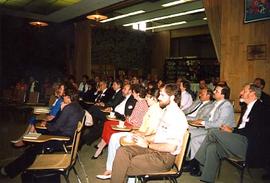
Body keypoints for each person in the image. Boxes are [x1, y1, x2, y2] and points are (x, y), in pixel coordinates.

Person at [110, 84, 188, 183]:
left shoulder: (177, 116)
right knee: (122, 151)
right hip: (156, 150)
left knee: (124, 164)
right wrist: (143, 137)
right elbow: (158, 135)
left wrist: (147, 145)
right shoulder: (167, 111)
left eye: (162, 95)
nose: (159, 97)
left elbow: (171, 147)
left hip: (164, 158)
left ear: (172, 97)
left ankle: (115, 177)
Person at [0, 88, 85, 178]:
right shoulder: (78, 107)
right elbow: (61, 123)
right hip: (65, 134)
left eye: (64, 96)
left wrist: (47, 124)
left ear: (68, 97)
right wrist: (48, 124)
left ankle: (8, 171)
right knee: (37, 131)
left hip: (62, 138)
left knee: (33, 150)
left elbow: (55, 127)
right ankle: (26, 144)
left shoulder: (68, 108)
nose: (62, 98)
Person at [193, 83, 267, 183]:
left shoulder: (261, 109)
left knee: (214, 132)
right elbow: (244, 128)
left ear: (252, 94)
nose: (240, 93)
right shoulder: (248, 107)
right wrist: (232, 130)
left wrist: (232, 130)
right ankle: (207, 179)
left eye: (244, 91)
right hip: (239, 139)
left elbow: (254, 132)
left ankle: (197, 160)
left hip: (248, 145)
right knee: (212, 148)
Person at [96, 88, 162, 180]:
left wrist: (136, 132)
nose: (146, 98)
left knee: (115, 138)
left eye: (148, 97)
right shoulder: (152, 109)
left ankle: (112, 169)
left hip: (142, 137)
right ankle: (111, 169)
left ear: (154, 99)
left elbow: (150, 132)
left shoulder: (156, 111)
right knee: (114, 137)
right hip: (139, 132)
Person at [187, 83, 235, 176]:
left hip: (220, 133)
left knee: (196, 140)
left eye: (216, 91)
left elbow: (219, 123)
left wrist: (203, 123)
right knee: (189, 133)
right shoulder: (215, 103)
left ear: (223, 94)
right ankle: (191, 160)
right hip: (211, 129)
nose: (214, 92)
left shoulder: (226, 105)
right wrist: (200, 120)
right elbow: (209, 118)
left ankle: (197, 165)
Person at [92, 84, 148, 159]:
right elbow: (132, 117)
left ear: (138, 94)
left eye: (133, 92)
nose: (132, 94)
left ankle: (101, 147)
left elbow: (138, 120)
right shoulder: (138, 102)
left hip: (132, 126)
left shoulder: (142, 104)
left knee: (110, 128)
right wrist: (128, 118)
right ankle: (102, 146)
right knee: (107, 123)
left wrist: (128, 119)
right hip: (128, 122)